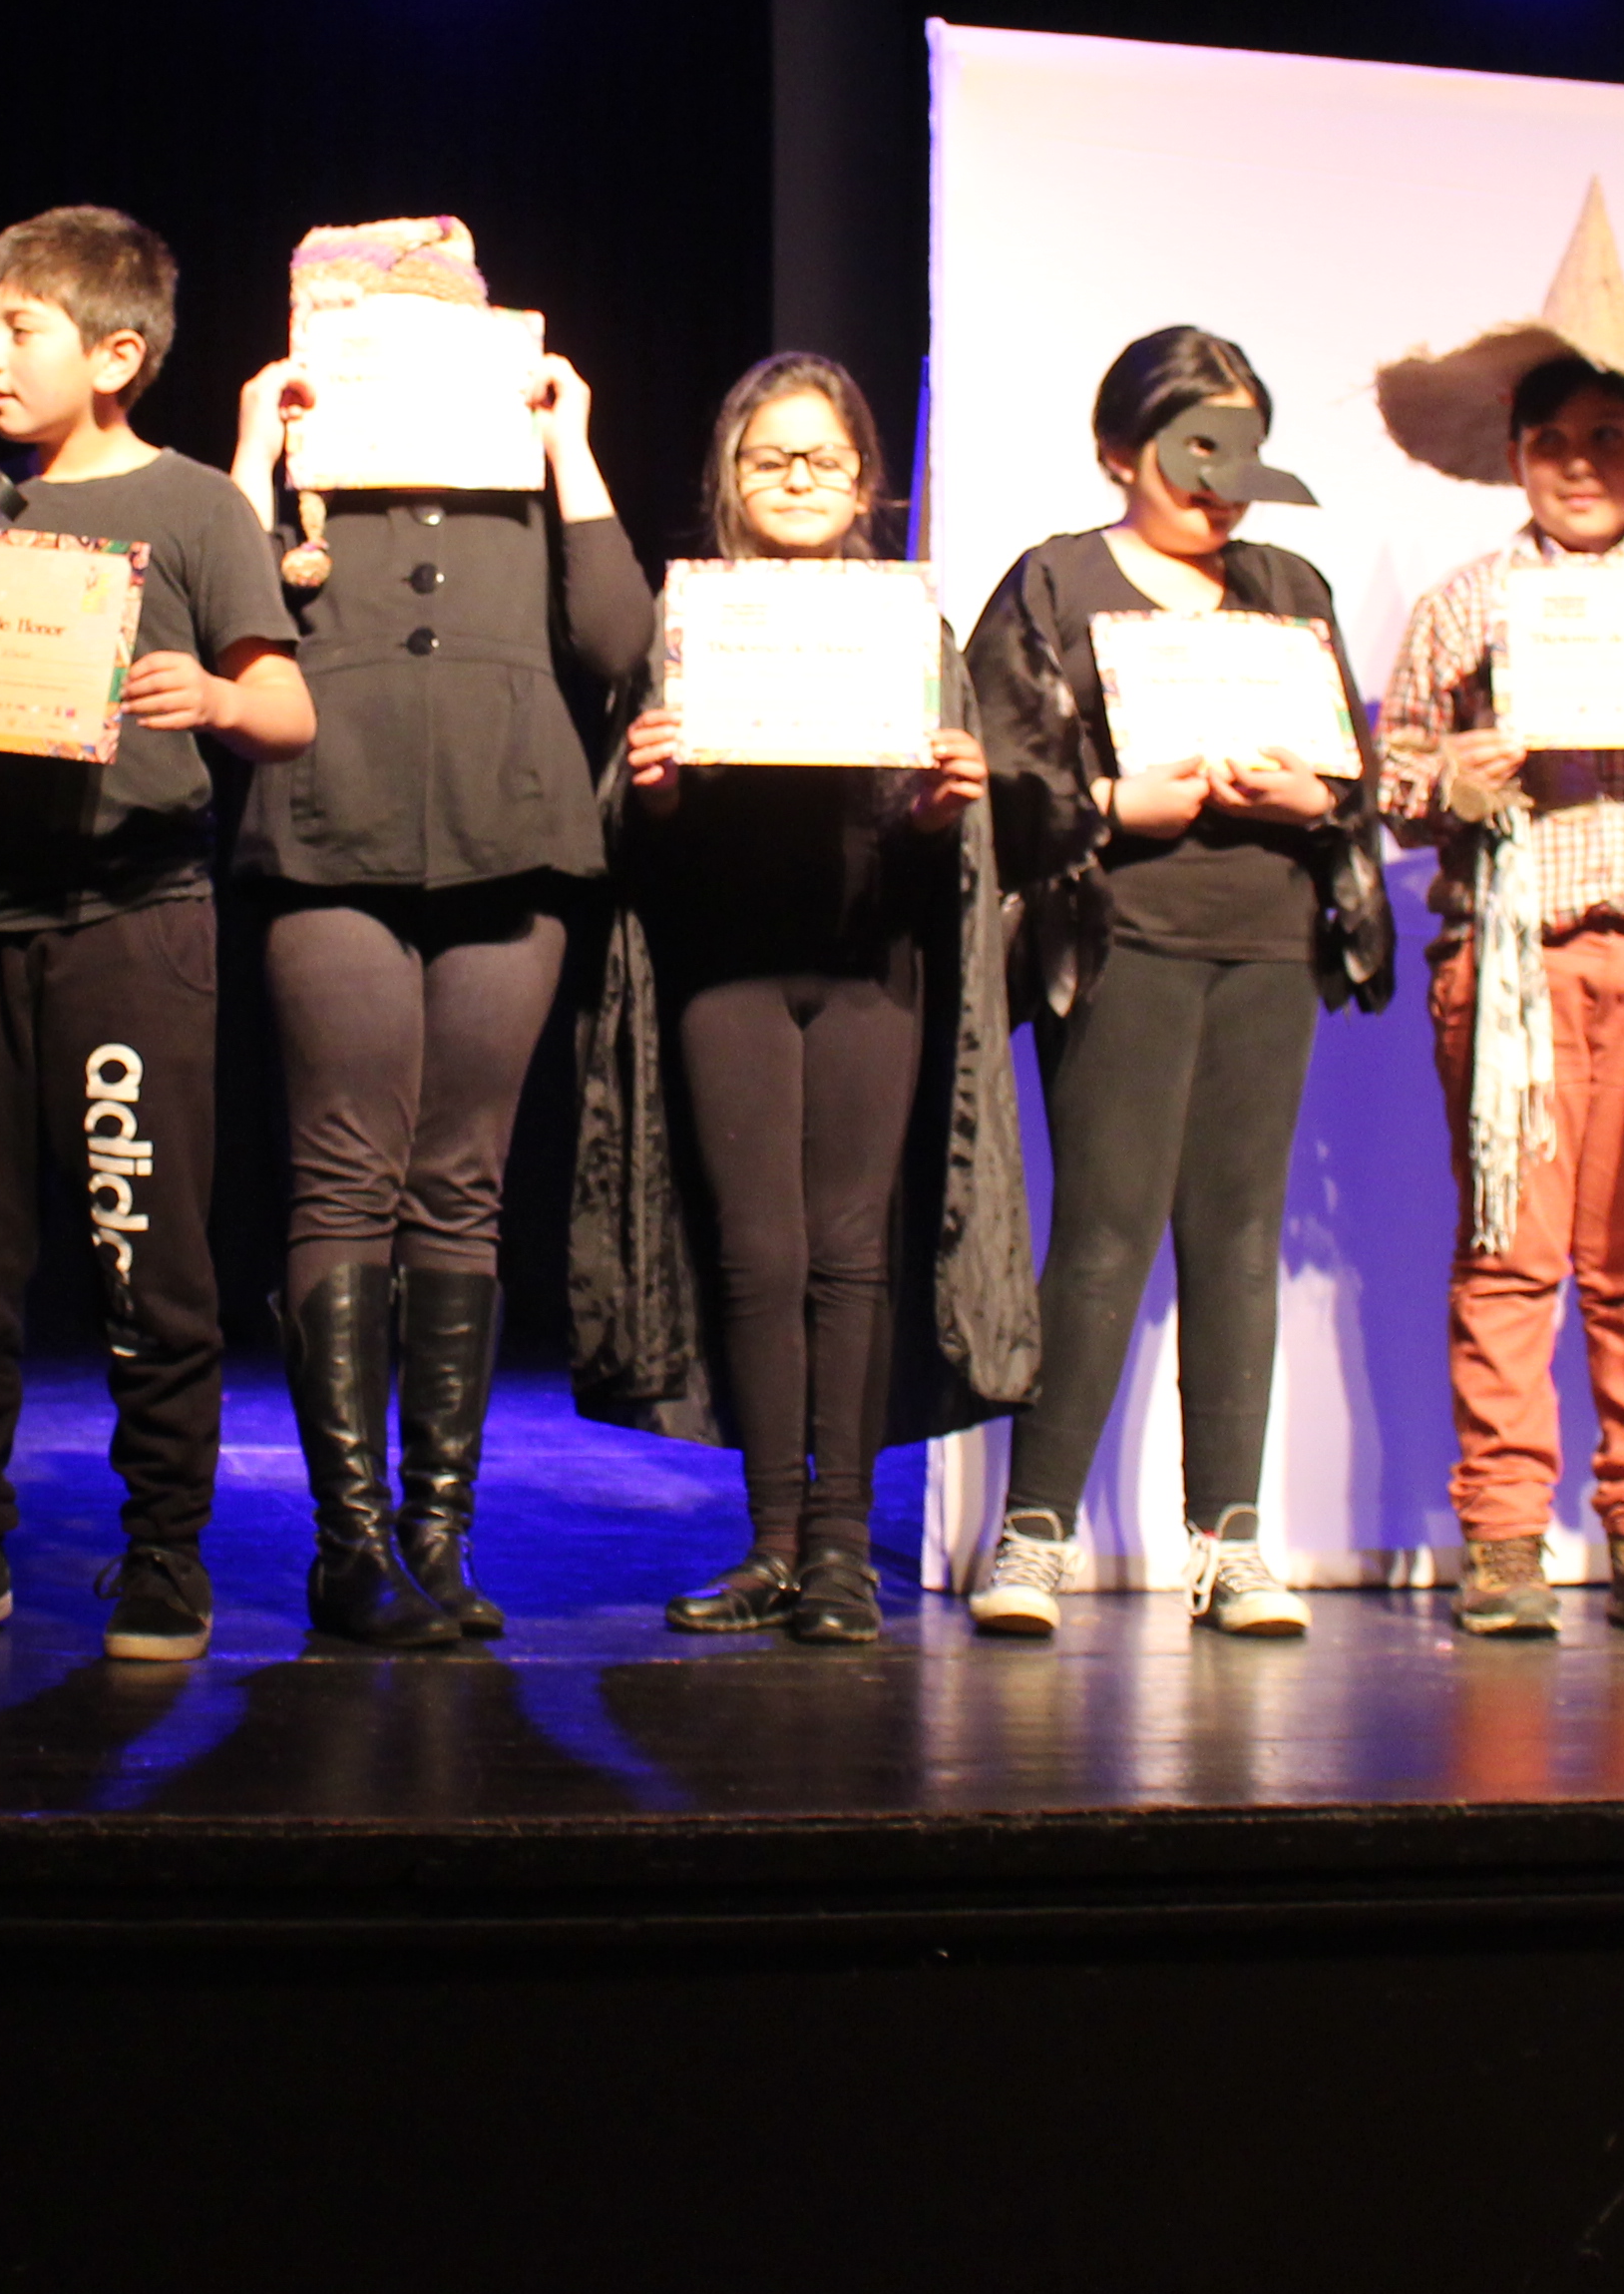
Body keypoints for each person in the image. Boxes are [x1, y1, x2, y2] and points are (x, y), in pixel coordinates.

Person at [0, 207, 308, 1666]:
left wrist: (212, 699)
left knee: (143, 1251)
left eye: (20, 328)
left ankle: (163, 1548)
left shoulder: (196, 507)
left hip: (130, 919)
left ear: (117, 354)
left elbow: (286, 710)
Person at [1371, 188, 1624, 1642]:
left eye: (1609, 439)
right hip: (1510, 964)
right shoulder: (1466, 604)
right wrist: (1453, 776)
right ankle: (1502, 1536)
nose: (1581, 465)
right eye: (1554, 441)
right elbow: (1395, 778)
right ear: (1517, 455)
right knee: (1508, 1251)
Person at [226, 218, 651, 1645]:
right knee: (345, 1176)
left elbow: (617, 644)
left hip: (507, 828)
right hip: (329, 829)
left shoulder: (518, 473)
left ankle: (437, 1536)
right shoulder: (305, 481)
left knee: (461, 1185)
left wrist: (569, 444)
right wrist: (256, 449)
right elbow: (222, 623)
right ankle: (349, 1547)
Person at [570, 355, 1032, 1644]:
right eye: (770, 456)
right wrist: (655, 789)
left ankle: (840, 1550)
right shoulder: (693, 621)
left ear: (864, 480)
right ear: (731, 473)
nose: (797, 478)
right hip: (730, 969)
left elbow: (940, 856)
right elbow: (637, 842)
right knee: (758, 1254)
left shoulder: (908, 625)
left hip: (869, 966)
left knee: (850, 1251)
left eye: (823, 458)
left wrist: (943, 809)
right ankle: (773, 1542)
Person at [957, 327, 1393, 1639]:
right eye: (1194, 447)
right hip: (1125, 938)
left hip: (1266, 939)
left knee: (1237, 1233)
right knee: (1104, 1227)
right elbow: (1000, 764)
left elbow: (1351, 771)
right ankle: (1035, 1533)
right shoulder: (1058, 580)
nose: (1220, 482)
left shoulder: (1288, 586)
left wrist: (1317, 798)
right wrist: (1109, 803)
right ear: (1120, 450)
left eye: (1244, 449)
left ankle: (1231, 1542)